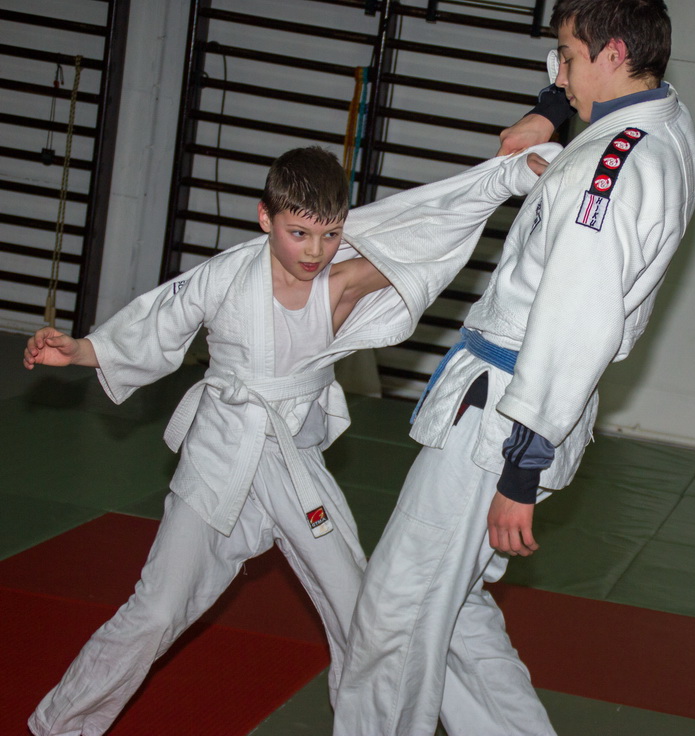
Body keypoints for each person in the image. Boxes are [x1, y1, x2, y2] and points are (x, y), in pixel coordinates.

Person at [23, 143, 556, 736]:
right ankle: (60, 727)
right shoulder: (225, 276)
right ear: (265, 218)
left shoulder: (342, 284)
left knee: (362, 618)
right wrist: (84, 350)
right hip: (219, 459)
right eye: (298, 233)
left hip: (295, 467)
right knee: (156, 612)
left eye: (330, 235)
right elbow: (158, 321)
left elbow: (426, 231)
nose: (315, 251)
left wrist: (503, 179)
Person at [333, 1, 695, 735]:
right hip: (511, 403)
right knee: (454, 611)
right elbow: (588, 113)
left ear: (614, 53)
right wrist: (550, 114)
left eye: (567, 57)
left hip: (503, 417)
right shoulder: (663, 121)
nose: (557, 74)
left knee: (396, 613)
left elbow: (575, 325)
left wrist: (520, 470)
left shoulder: (608, 172)